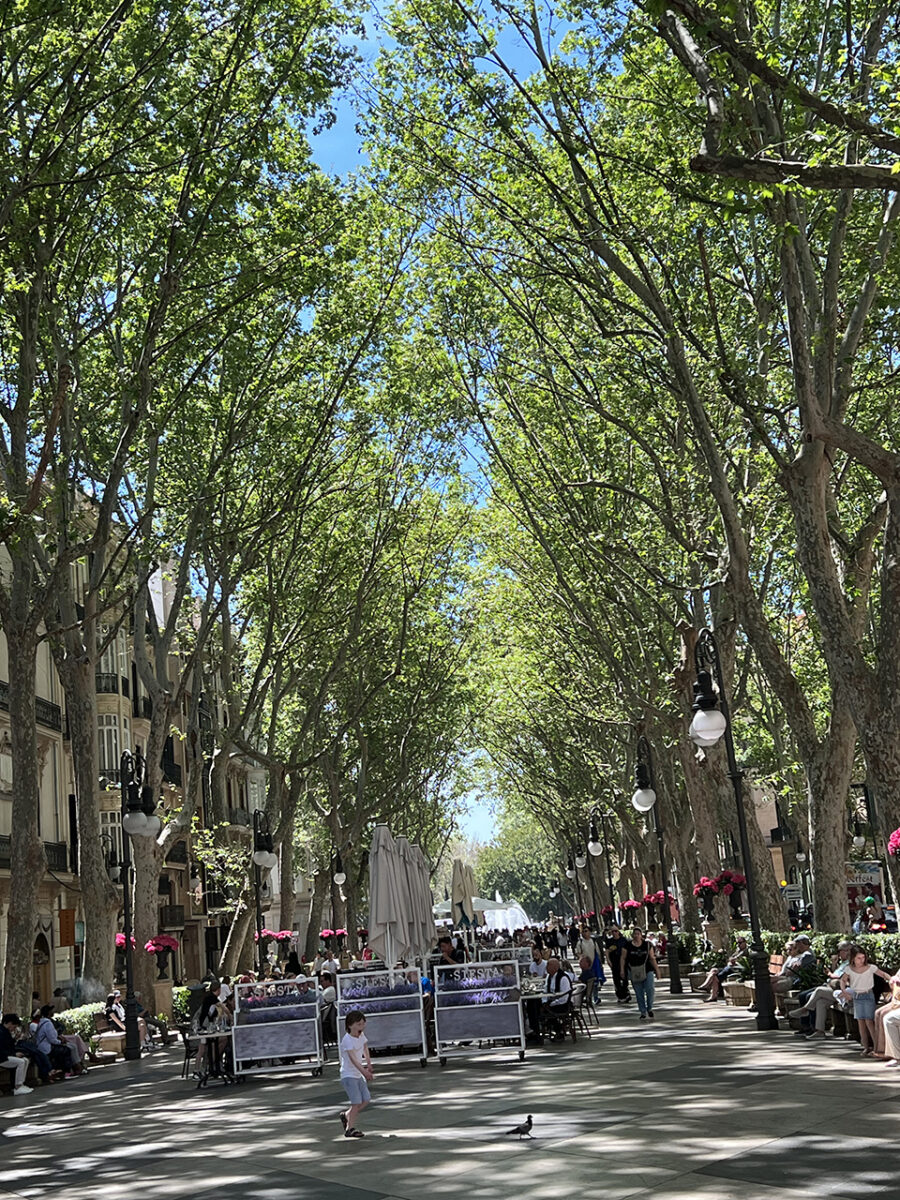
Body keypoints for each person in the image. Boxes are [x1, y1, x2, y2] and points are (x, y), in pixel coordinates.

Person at [792, 941, 853, 1038]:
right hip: (831, 987)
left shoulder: (850, 963)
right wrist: (834, 964)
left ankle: (805, 1009)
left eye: (840, 951)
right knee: (820, 1002)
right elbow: (836, 974)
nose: (839, 954)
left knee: (818, 991)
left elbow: (839, 977)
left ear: (847, 951)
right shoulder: (843, 963)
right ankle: (819, 1031)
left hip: (840, 990)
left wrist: (829, 974)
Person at [840, 947, 893, 1056]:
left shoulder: (871, 968)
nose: (861, 960)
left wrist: (891, 980)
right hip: (857, 996)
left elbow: (883, 974)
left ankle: (876, 1047)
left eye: (863, 957)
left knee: (869, 1021)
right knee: (861, 1022)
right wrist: (844, 991)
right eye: (858, 958)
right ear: (853, 958)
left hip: (868, 995)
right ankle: (865, 1046)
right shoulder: (849, 969)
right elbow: (843, 979)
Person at [339, 1010, 373, 1138]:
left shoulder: (361, 1035)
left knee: (366, 1099)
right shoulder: (347, 1040)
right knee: (356, 1102)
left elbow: (365, 1047)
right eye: (359, 1024)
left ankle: (347, 1115)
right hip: (349, 1075)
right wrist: (364, 1072)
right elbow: (353, 1060)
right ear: (350, 1025)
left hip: (358, 1074)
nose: (361, 1027)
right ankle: (350, 1128)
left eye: (363, 1024)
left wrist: (369, 1064)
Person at [621, 928, 658, 1020]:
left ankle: (649, 1008)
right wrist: (622, 970)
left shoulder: (647, 945)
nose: (636, 935)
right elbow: (623, 958)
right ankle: (642, 1011)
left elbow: (652, 958)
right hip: (634, 971)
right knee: (639, 992)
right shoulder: (627, 946)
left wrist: (657, 970)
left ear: (641, 935)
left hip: (647, 970)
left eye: (638, 934)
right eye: (635, 934)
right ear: (632, 935)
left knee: (650, 989)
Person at [700, 936, 750, 1003]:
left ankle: (710, 993)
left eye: (740, 943)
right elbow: (731, 959)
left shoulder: (745, 951)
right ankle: (705, 986)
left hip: (735, 969)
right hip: (729, 967)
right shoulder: (738, 950)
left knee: (715, 977)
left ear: (745, 942)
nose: (738, 945)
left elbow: (736, 960)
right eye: (737, 943)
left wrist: (733, 960)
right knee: (713, 970)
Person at [32, 1005, 79, 1075]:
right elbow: (52, 1040)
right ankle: (67, 1071)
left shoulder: (41, 1022)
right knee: (66, 1050)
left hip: (42, 1046)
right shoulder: (48, 1023)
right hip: (47, 1048)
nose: (53, 1012)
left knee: (71, 1046)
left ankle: (76, 1067)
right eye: (51, 1011)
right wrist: (60, 1042)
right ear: (48, 1013)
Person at [0, 1014, 33, 1095]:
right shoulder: (1, 1032)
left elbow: (8, 1046)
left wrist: (15, 1039)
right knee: (21, 1062)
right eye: (14, 1027)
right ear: (10, 1023)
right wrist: (14, 1054)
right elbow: (2, 1049)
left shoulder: (5, 1031)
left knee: (25, 1060)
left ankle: (21, 1083)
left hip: (6, 1056)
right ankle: (18, 1086)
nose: (14, 1029)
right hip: (2, 1058)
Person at [540, 957, 573, 1039]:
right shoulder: (549, 977)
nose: (546, 967)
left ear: (555, 967)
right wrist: (544, 1002)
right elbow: (545, 991)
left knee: (546, 1012)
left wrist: (551, 1004)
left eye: (548, 965)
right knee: (534, 1007)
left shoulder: (563, 978)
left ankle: (557, 1029)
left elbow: (564, 997)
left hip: (563, 1004)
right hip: (552, 1002)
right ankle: (534, 1032)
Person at [605, 925, 631, 1003]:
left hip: (624, 962)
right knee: (616, 980)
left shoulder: (623, 940)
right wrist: (608, 960)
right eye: (612, 931)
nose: (614, 933)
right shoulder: (609, 941)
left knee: (624, 979)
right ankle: (620, 995)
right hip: (614, 962)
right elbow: (607, 951)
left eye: (616, 931)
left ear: (618, 932)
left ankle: (626, 993)